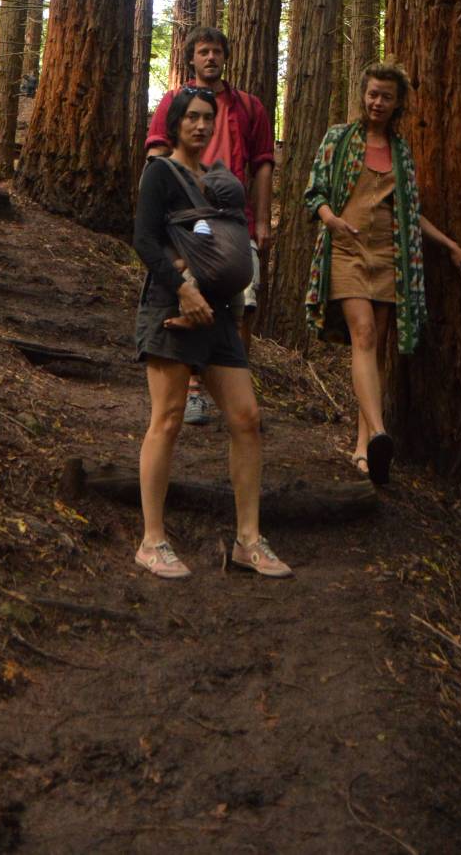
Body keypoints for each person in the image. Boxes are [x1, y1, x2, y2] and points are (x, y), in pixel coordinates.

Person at [133, 84, 291, 580]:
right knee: (170, 418)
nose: (201, 126)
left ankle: (248, 539)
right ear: (176, 123)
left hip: (221, 312)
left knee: (246, 418)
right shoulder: (161, 172)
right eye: (192, 118)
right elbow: (144, 239)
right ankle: (152, 540)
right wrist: (182, 286)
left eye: (208, 119)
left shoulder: (216, 180)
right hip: (171, 304)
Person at [303, 62, 461, 486]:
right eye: (372, 94)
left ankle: (365, 449)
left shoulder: (401, 152)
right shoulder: (338, 139)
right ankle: (381, 432)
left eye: (386, 96)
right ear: (362, 95)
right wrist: (331, 220)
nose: (377, 102)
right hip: (346, 251)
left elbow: (410, 213)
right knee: (362, 334)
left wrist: (452, 247)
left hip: (390, 258)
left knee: (376, 347)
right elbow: (315, 193)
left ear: (398, 103)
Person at [146, 26, 274, 424]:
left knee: (241, 306)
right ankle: (193, 389)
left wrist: (264, 220)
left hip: (236, 223)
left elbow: (263, 164)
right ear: (191, 59)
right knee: (190, 298)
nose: (211, 58)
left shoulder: (248, 107)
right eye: (203, 51)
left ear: (226, 57)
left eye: (217, 51)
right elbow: (157, 154)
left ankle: (234, 390)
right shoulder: (173, 101)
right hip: (185, 222)